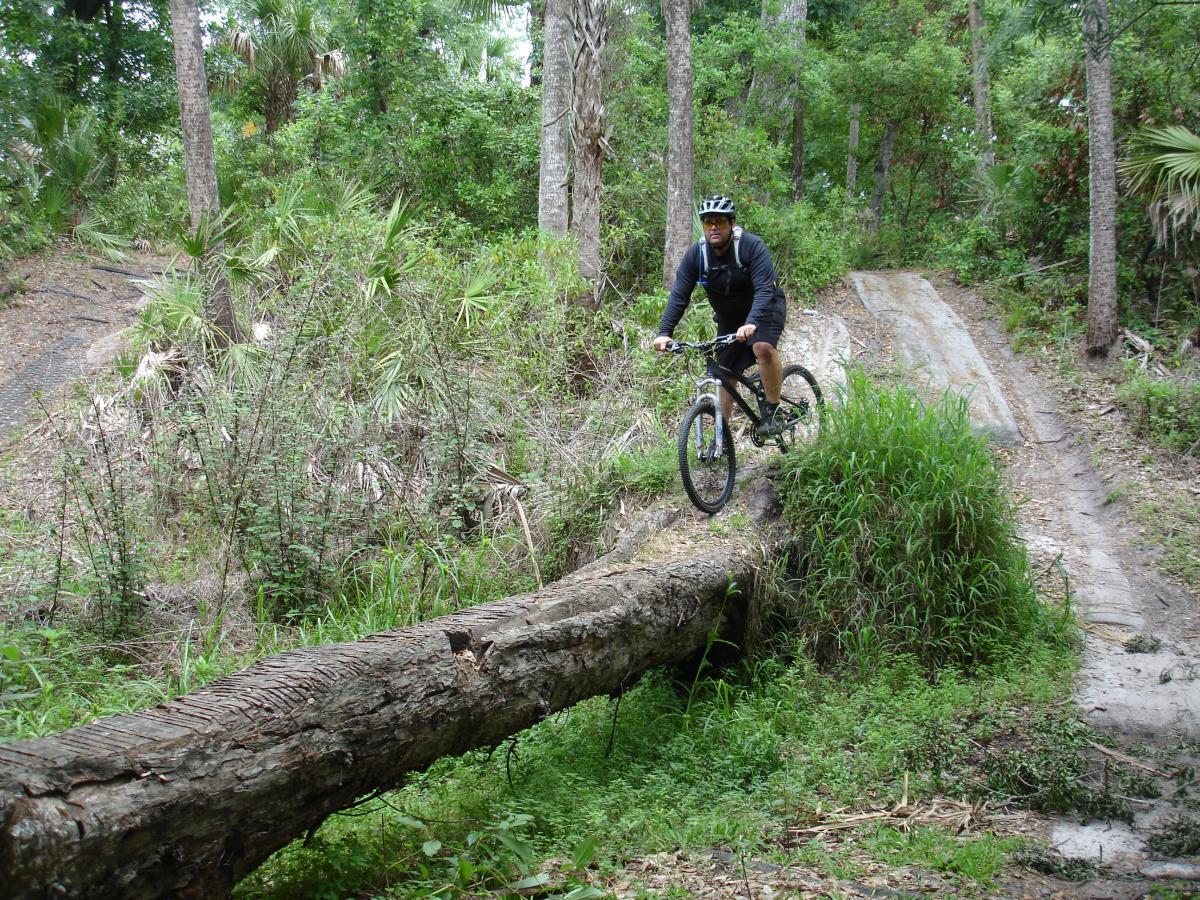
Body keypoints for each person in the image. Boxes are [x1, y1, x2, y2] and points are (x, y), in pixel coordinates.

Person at [652, 195, 789, 435]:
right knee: (723, 372)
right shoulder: (697, 254)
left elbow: (765, 288)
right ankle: (721, 436)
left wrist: (752, 323)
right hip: (729, 317)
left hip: (764, 308)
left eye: (720, 222)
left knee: (762, 347)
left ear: (732, 224)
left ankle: (773, 410)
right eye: (708, 223)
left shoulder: (751, 246)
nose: (713, 227)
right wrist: (665, 332)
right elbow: (679, 295)